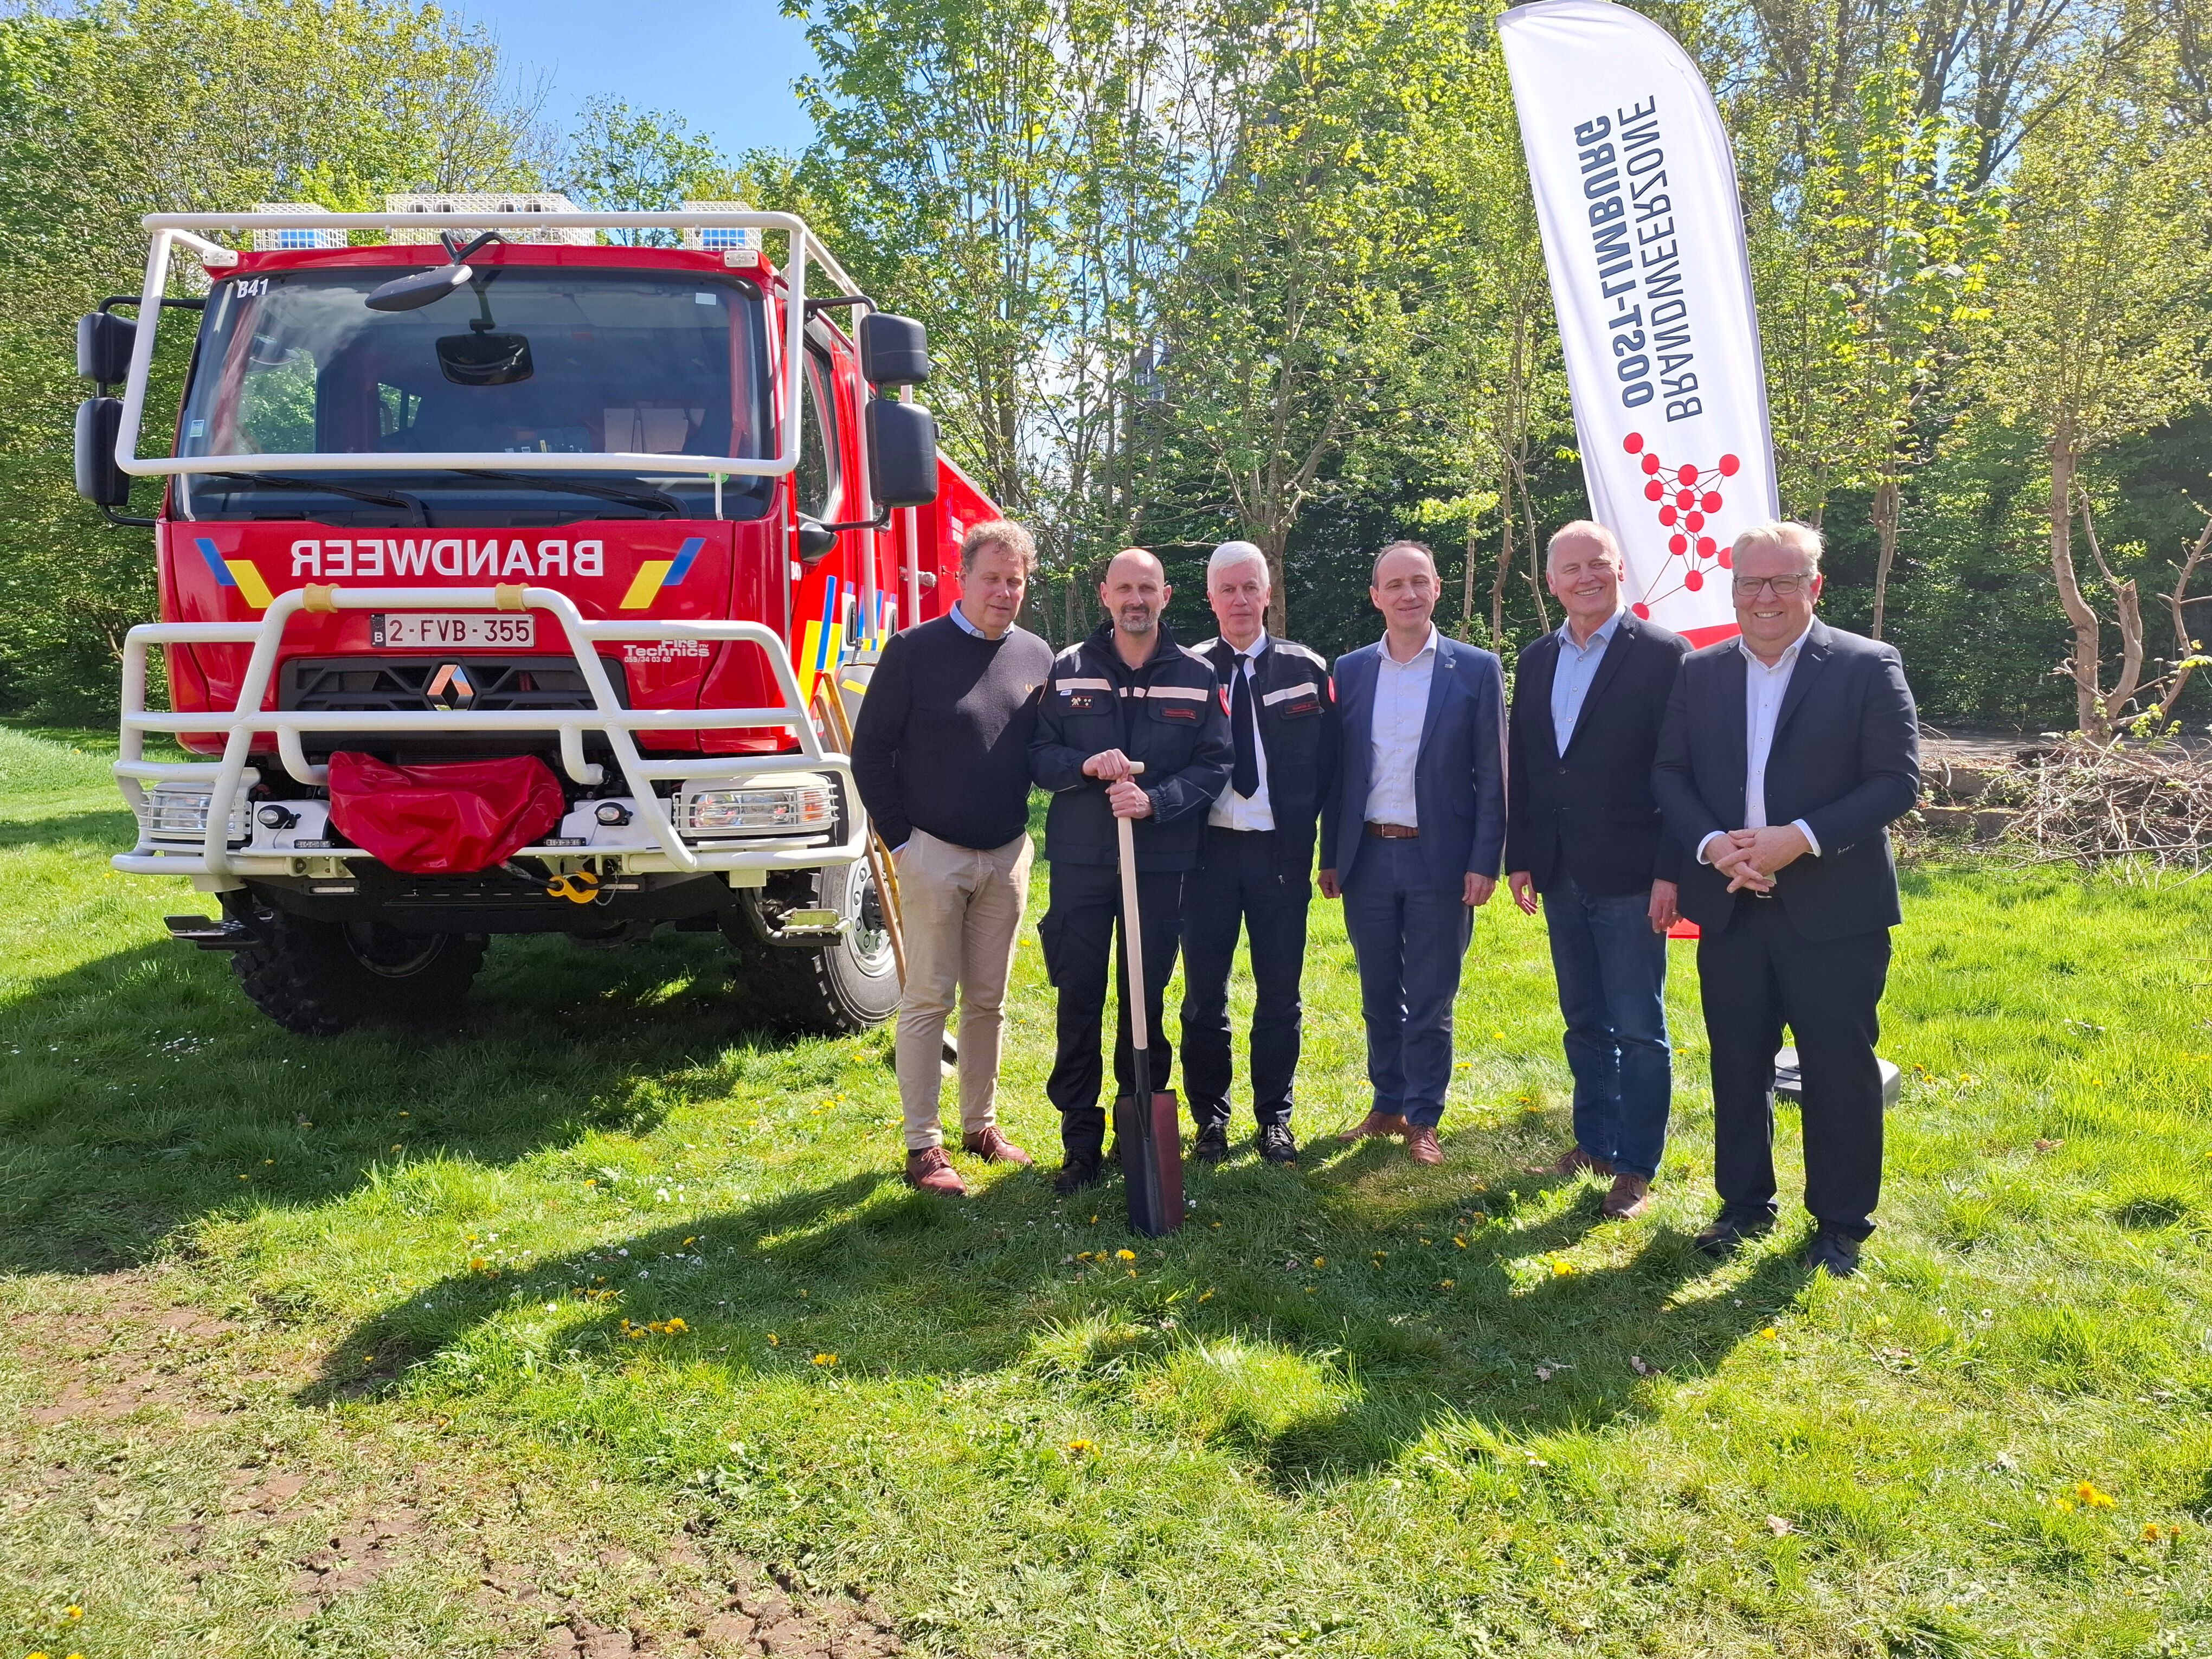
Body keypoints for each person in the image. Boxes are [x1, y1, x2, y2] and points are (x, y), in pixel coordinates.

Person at [1651, 519, 1919, 1277]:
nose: (1765, 596)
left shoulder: (1867, 665)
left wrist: (1796, 838)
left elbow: (1896, 781)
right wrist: (1716, 847)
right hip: (1732, 902)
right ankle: (1744, 1205)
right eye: (1751, 582)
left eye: (1783, 580)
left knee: (1838, 1068)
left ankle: (1840, 1225)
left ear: (1814, 586)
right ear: (1733, 588)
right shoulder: (1699, 671)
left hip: (1834, 909)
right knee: (1738, 1063)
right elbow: (1670, 773)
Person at [851, 520, 1055, 1197]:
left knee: (989, 1001)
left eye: (1015, 581)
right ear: (961, 578)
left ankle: (980, 1127)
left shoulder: (1036, 655)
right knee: (929, 999)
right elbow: (869, 751)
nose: (1003, 592)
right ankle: (923, 1146)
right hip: (933, 852)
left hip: (1007, 854)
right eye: (991, 578)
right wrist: (902, 842)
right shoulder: (914, 650)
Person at [1030, 548, 1233, 1194]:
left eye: (1147, 589)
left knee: (1144, 999)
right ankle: (1080, 1141)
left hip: (1161, 862)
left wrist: (1156, 802)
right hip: (1082, 861)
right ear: (1105, 595)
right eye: (1125, 589)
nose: (1136, 600)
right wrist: (1084, 766)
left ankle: (1136, 1121)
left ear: (1166, 596)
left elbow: (1216, 762)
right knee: (1079, 998)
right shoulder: (1068, 668)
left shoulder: (1197, 675)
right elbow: (1038, 753)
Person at [1505, 522, 1692, 1220]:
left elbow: (1681, 770)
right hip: (1560, 870)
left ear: (1620, 570)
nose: (1585, 577)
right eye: (1570, 569)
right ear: (1550, 582)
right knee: (1583, 1019)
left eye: (1597, 564)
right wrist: (1521, 855)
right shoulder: (1537, 658)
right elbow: (1528, 763)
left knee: (1639, 1028)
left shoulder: (1664, 655)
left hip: (1634, 875)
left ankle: (1636, 1166)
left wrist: (1672, 870)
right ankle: (1596, 1143)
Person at [1319, 540, 1507, 1167]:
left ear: (1437, 589)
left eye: (1418, 581)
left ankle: (1424, 1117)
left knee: (1430, 998)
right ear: (1376, 596)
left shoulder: (1475, 669)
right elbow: (1340, 772)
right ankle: (1387, 1103)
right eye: (1394, 584)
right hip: (1368, 858)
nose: (1408, 594)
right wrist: (1331, 855)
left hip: (1441, 860)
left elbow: (1493, 774)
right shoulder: (1350, 670)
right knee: (1378, 993)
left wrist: (1484, 860)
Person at [1179, 541, 1340, 1166]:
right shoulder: (1187, 670)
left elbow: (1334, 767)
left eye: (1251, 587)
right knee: (1204, 998)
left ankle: (1275, 1119)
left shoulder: (1306, 669)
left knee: (1280, 995)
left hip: (1280, 855)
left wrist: (1322, 849)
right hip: (1207, 857)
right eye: (1228, 589)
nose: (1240, 600)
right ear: (1211, 598)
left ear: (1268, 593)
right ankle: (1211, 1120)